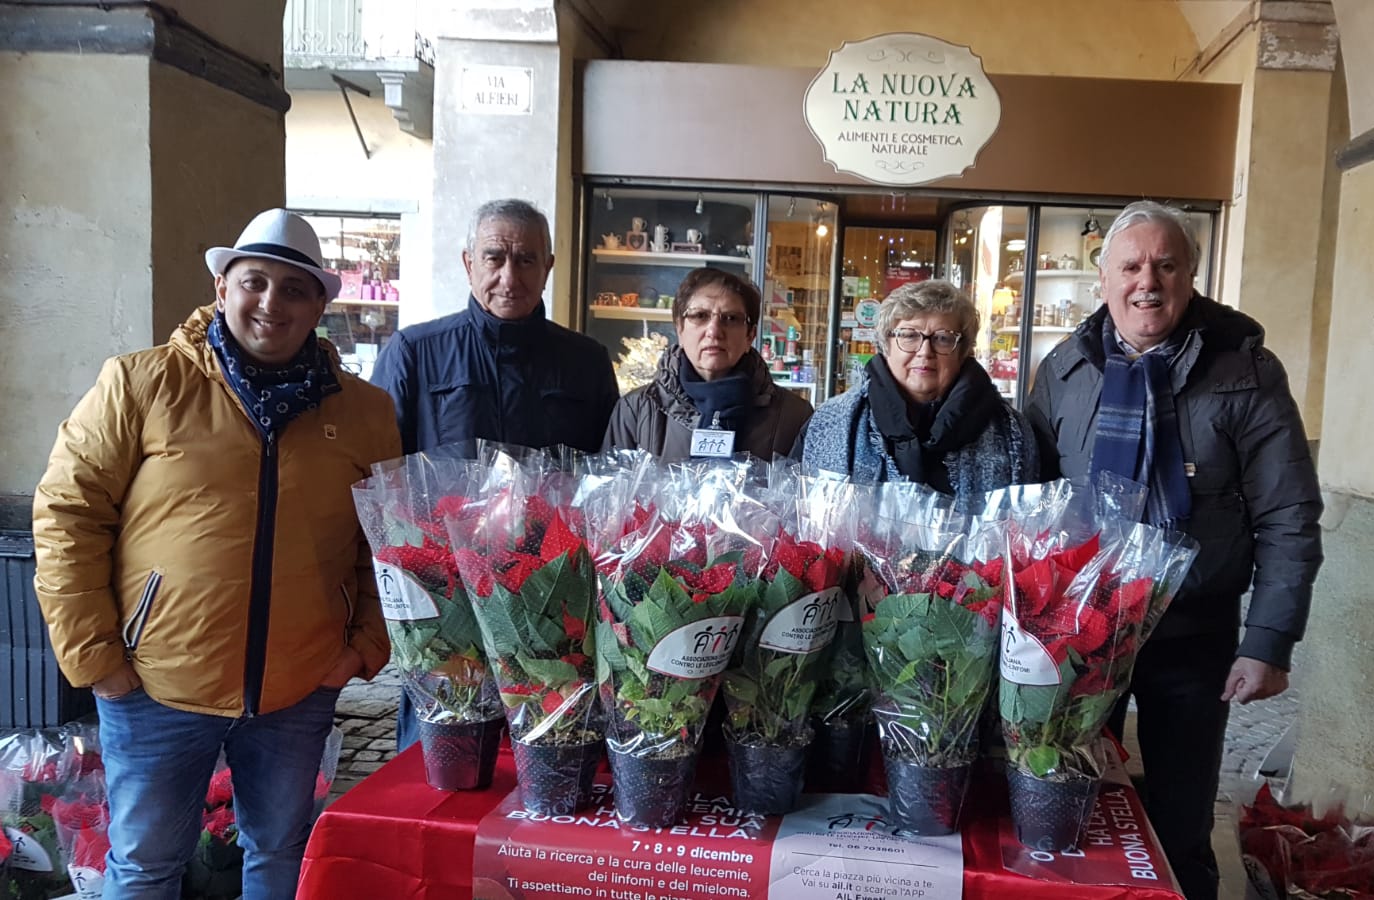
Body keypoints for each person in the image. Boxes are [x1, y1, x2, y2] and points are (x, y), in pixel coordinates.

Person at [32, 209, 400, 898]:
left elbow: (386, 543)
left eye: (294, 290)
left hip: (299, 685)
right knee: (144, 865)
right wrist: (97, 659)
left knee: (282, 856)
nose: (271, 303)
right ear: (221, 284)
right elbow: (67, 514)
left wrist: (360, 648)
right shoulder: (141, 385)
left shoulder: (364, 413)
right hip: (155, 684)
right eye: (254, 282)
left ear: (320, 303)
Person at [1024, 200, 1322, 900]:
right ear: (1104, 279)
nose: (1146, 282)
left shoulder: (1245, 371)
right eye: (1130, 266)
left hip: (1193, 632)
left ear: (1191, 276)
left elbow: (1288, 514)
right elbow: (1034, 505)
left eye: (1165, 265)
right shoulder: (1065, 369)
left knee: (1182, 818)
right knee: (1065, 802)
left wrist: (1269, 641)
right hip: (1083, 634)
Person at [371, 198, 619, 750]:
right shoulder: (416, 352)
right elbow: (383, 486)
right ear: (468, 262)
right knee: (442, 768)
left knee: (547, 758)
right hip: (447, 609)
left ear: (548, 267)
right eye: (495, 257)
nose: (510, 276)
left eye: (527, 260)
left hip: (549, 606)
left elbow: (605, 482)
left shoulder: (584, 361)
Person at [794, 279, 1038, 503]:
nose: (925, 351)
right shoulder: (829, 422)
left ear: (962, 350)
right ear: (885, 344)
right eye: (909, 335)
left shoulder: (1011, 431)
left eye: (942, 338)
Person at [603, 267, 812, 460]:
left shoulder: (794, 416)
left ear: (751, 335)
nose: (713, 331)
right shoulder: (636, 411)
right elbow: (608, 496)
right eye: (700, 316)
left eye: (730, 318)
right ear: (679, 329)